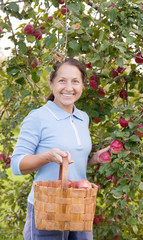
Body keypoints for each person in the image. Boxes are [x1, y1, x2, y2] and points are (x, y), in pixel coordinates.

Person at [11, 57, 109, 240]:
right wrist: (47, 157)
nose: (68, 87)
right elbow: (17, 165)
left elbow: (72, 161)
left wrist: (94, 158)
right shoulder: (38, 117)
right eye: (62, 80)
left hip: (79, 207)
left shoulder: (83, 117)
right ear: (51, 83)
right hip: (46, 208)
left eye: (75, 81)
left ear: (82, 86)